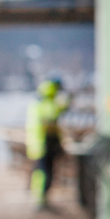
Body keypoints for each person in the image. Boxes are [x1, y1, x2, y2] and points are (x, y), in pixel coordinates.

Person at [25, 77, 68, 210]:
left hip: (39, 142)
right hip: (42, 143)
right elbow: (51, 116)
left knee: (41, 171)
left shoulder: (41, 99)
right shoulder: (45, 101)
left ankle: (41, 200)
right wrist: (64, 104)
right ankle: (40, 201)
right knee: (43, 172)